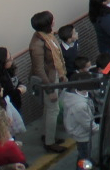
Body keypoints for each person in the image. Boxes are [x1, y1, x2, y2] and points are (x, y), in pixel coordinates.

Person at [28, 11, 66, 153]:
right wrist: (50, 90)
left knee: (49, 109)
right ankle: (50, 142)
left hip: (53, 75)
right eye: (52, 19)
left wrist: (62, 74)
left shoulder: (48, 36)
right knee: (53, 109)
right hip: (47, 80)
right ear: (47, 24)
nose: (54, 20)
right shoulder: (37, 44)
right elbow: (39, 69)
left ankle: (46, 136)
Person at [62, 72, 97, 162]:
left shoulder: (73, 95)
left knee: (84, 154)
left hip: (80, 132)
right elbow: (87, 124)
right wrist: (99, 128)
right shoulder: (79, 106)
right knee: (84, 157)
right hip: (82, 134)